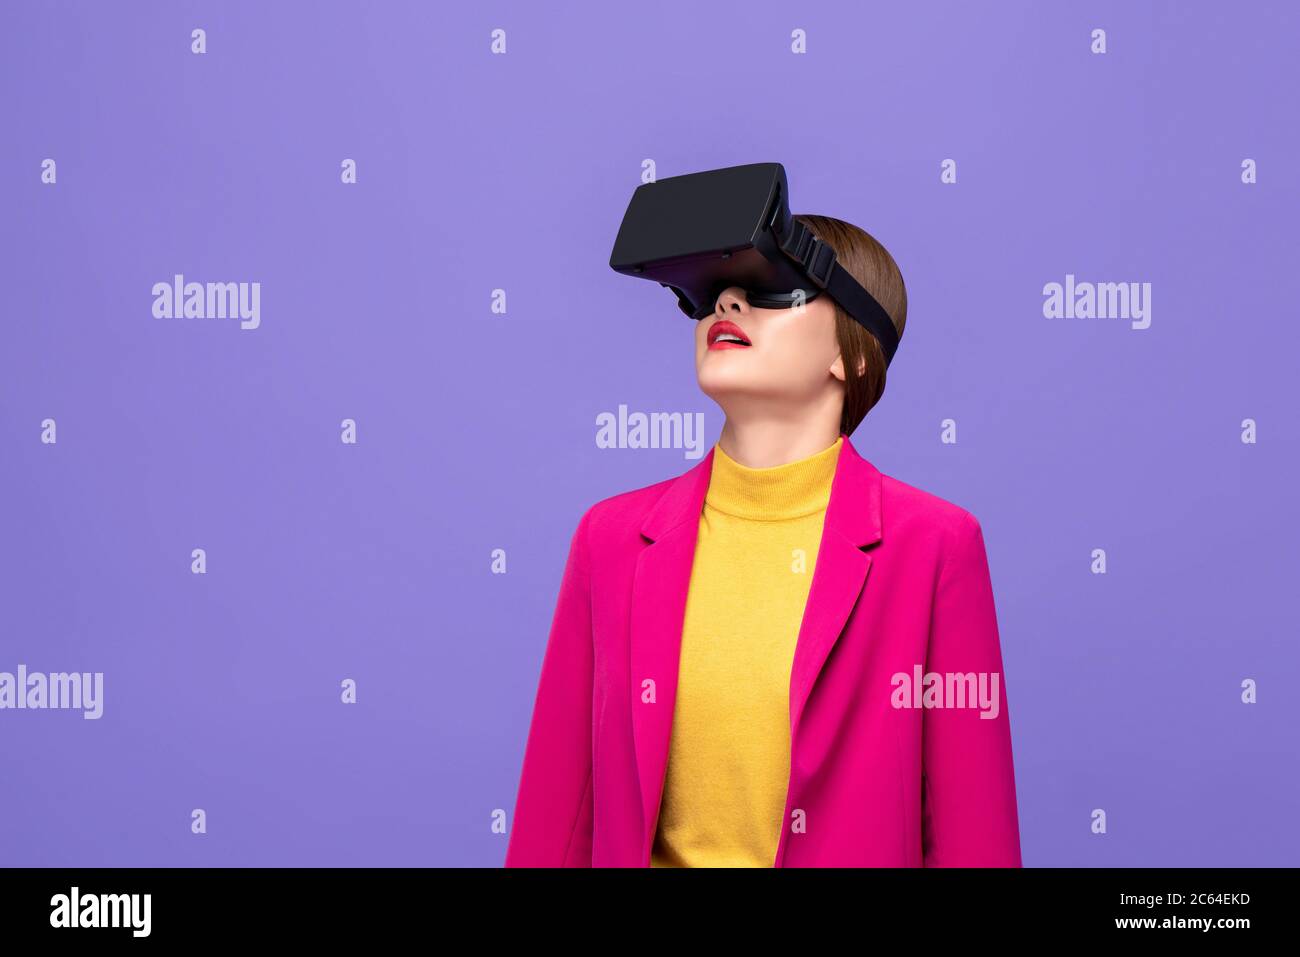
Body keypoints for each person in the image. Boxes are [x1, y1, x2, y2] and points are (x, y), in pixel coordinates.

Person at [505, 212, 1021, 867]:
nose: (726, 302)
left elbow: (973, 831)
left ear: (851, 351)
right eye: (710, 292)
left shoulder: (936, 546)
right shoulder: (608, 541)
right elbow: (555, 821)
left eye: (773, 287)